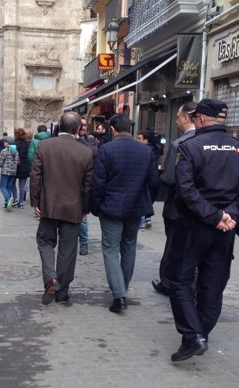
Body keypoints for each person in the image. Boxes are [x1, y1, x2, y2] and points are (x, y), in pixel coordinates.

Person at [166, 99, 239, 362]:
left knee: (181, 279)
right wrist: (230, 214)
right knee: (214, 283)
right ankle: (199, 335)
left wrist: (214, 216)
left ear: (202, 120)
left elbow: (186, 191)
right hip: (225, 229)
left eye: (196, 119)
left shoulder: (189, 147)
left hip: (193, 227)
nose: (195, 122)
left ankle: (194, 335)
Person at [91, 113, 160, 313]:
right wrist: (147, 201)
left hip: (111, 207)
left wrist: (96, 206)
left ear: (112, 130)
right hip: (135, 207)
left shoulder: (107, 150)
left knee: (111, 249)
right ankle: (123, 288)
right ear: (130, 129)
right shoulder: (146, 151)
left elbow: (99, 183)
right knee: (129, 247)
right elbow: (154, 182)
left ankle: (119, 294)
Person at [30, 111, 94, 305]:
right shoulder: (86, 152)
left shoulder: (45, 146)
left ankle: (51, 277)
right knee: (68, 250)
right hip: (73, 207)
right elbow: (88, 186)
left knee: (45, 241)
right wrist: (85, 208)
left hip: (49, 205)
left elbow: (35, 176)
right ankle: (62, 291)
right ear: (78, 129)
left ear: (59, 127)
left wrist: (36, 202)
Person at [152, 101, 197, 297]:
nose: (176, 121)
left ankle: (169, 282)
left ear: (186, 118)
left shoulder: (179, 144)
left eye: (178, 117)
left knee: (174, 247)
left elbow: (169, 178)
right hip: (204, 207)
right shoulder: (212, 141)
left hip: (178, 206)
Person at [77, 116, 98, 255]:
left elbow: (94, 156)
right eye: (81, 125)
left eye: (85, 125)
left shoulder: (91, 141)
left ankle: (84, 242)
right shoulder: (71, 139)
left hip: (85, 182)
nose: (84, 127)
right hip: (71, 180)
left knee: (83, 216)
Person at [0, 136, 19, 210]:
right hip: (13, 172)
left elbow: (0, 162)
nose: (4, 143)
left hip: (5, 172)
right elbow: (17, 162)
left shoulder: (4, 151)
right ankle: (7, 204)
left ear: (8, 143)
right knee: (9, 187)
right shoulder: (16, 151)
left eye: (5, 142)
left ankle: (8, 199)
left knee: (2, 186)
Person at [13, 128, 30, 208]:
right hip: (25, 166)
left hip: (15, 166)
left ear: (16, 134)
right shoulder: (27, 143)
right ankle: (21, 203)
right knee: (22, 186)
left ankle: (15, 199)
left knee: (12, 184)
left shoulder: (14, 143)